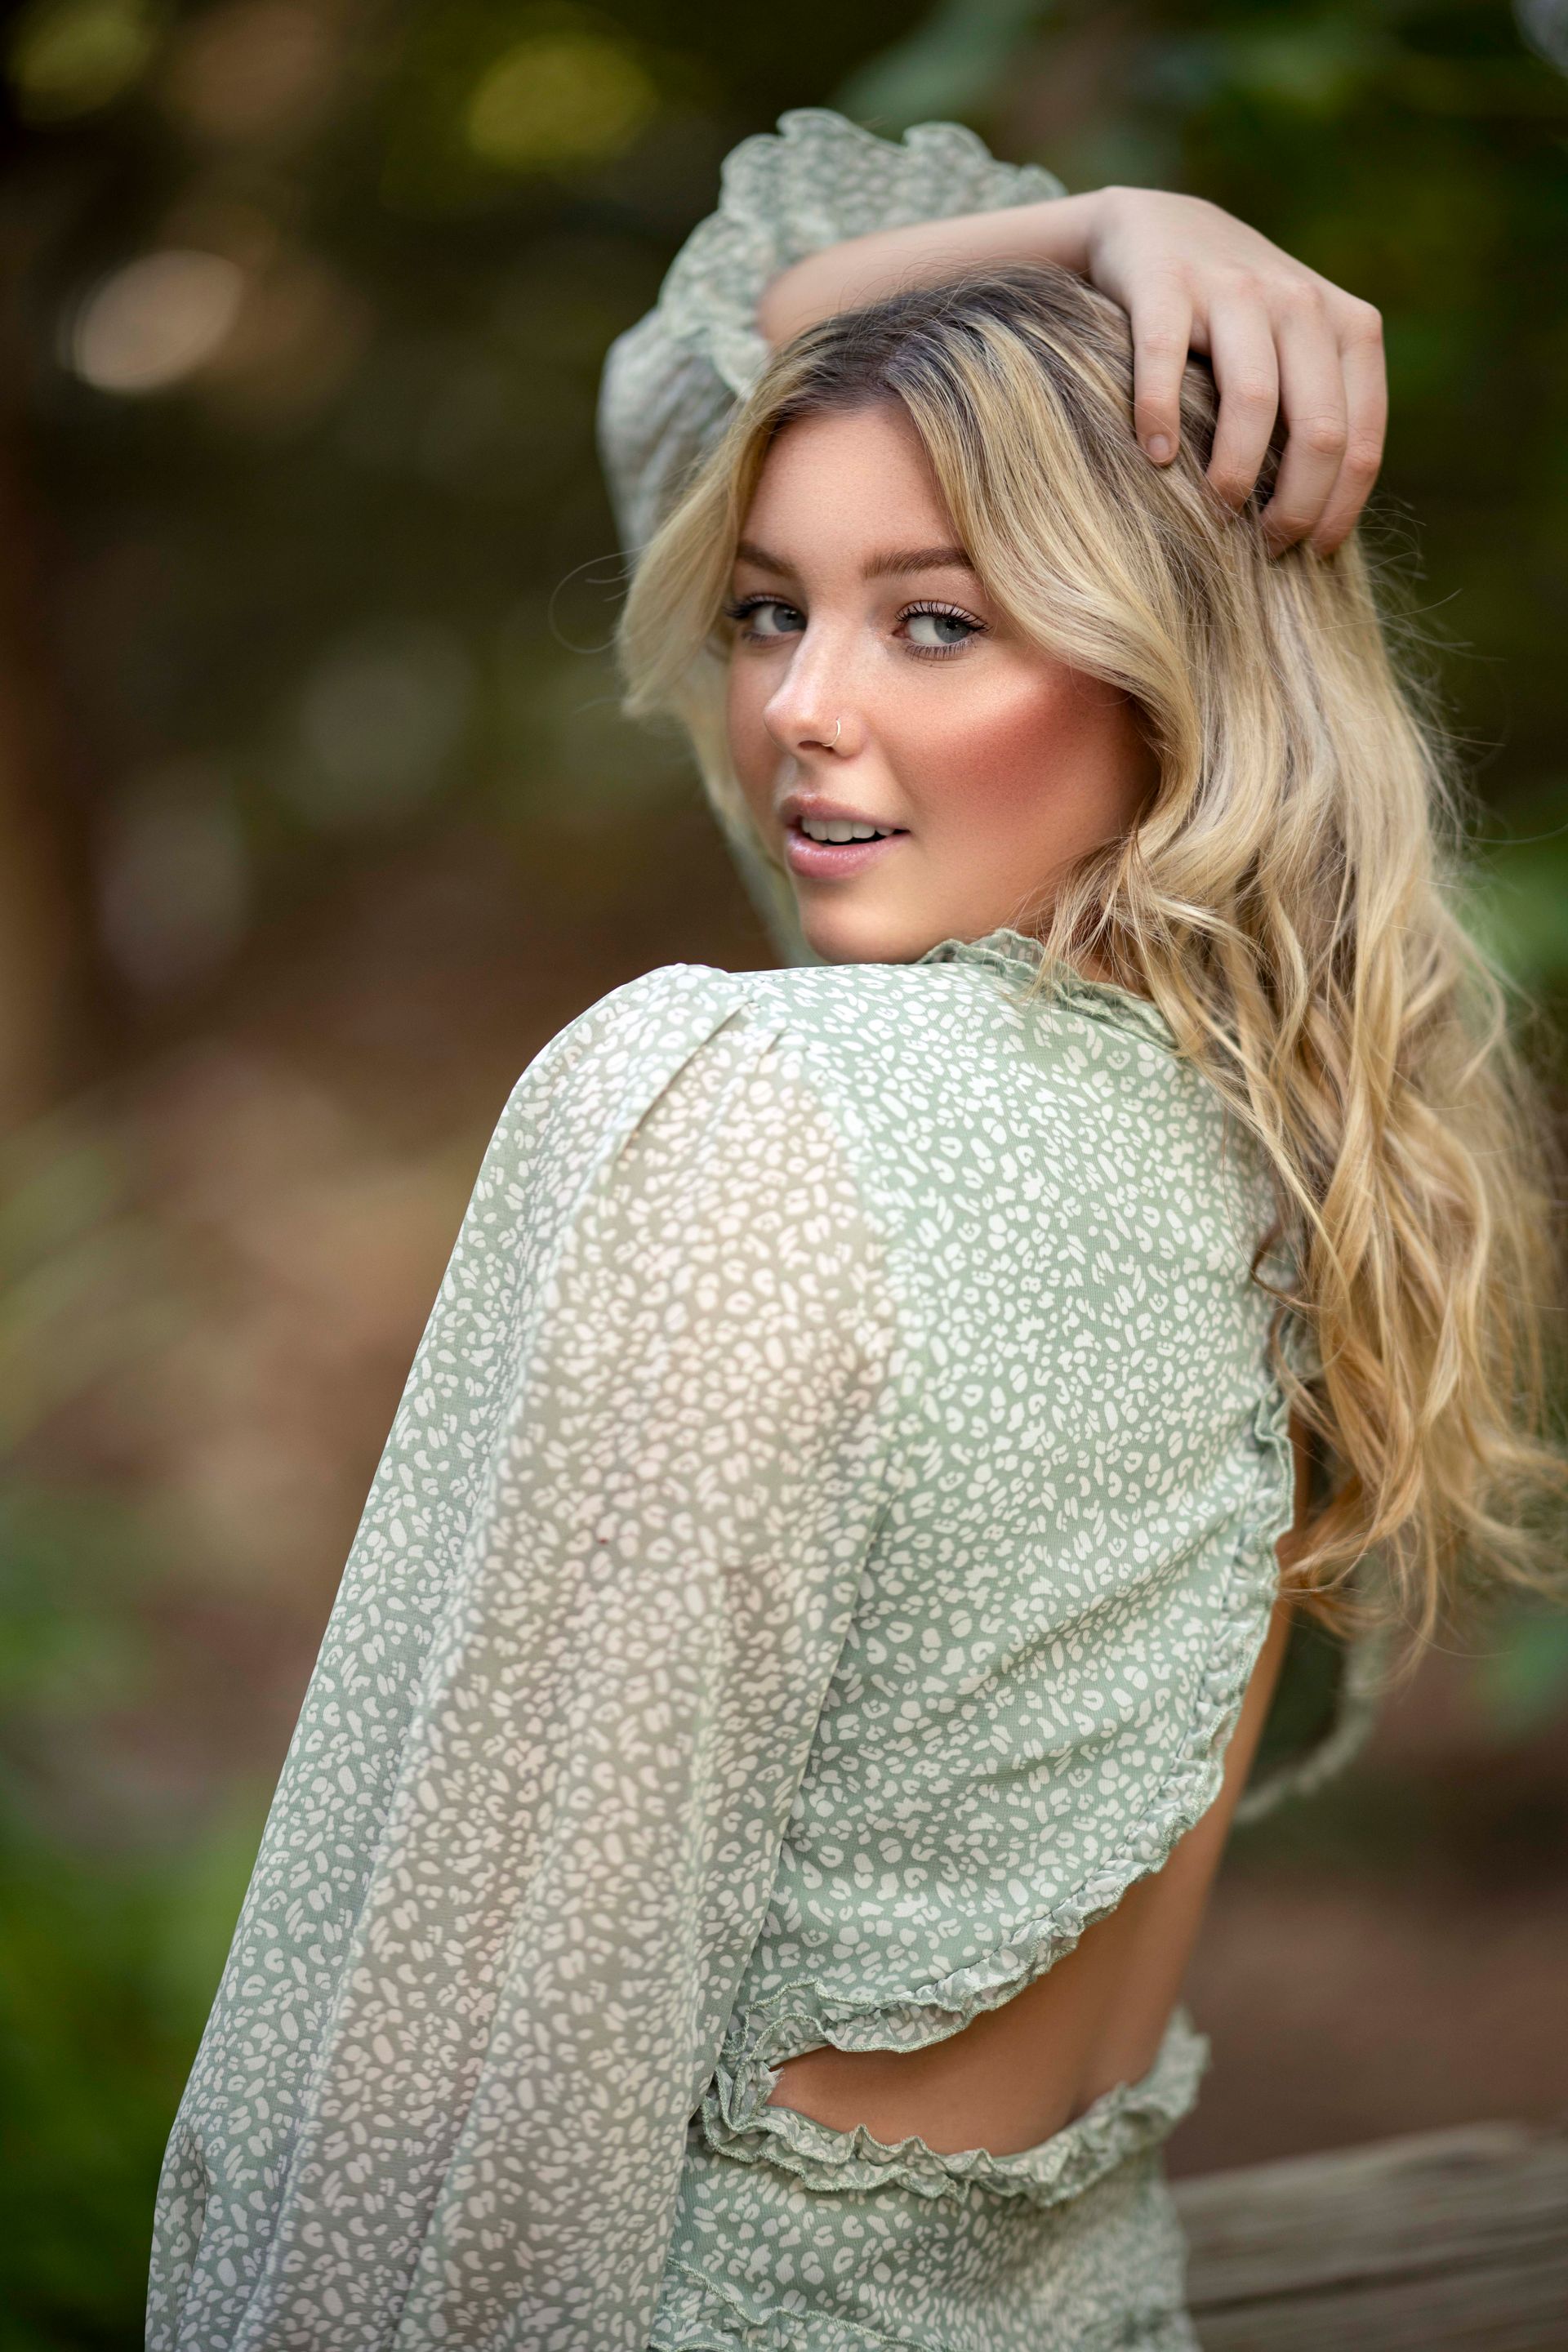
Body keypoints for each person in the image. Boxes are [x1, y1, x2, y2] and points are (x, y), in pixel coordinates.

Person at [145, 111, 1562, 2352]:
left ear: (1168, 663)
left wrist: (1098, 247)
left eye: (938, 623)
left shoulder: (760, 1108)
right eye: (767, 611)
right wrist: (1106, 244)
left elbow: (460, 2077)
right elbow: (707, 392)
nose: (806, 710)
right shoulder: (1309, 1157)